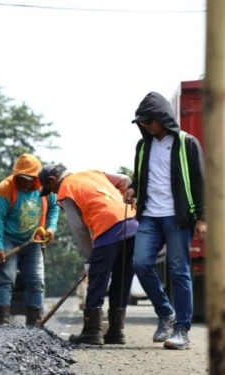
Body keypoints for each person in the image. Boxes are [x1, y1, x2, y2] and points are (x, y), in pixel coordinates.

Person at [124, 91, 206, 350]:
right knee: (140, 263)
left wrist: (202, 218)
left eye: (148, 121)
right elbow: (140, 175)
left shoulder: (187, 143)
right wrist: (133, 188)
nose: (144, 126)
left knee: (179, 271)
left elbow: (199, 182)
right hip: (149, 215)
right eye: (141, 122)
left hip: (177, 217)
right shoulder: (143, 146)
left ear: (161, 118)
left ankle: (182, 330)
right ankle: (166, 312)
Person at [39, 164, 137, 345]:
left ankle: (92, 331)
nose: (52, 194)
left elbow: (79, 230)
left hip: (107, 227)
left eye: (49, 190)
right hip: (132, 222)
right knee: (122, 278)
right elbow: (125, 180)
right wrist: (120, 204)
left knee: (97, 280)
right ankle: (116, 331)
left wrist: (90, 258)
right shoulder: (93, 173)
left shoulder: (66, 190)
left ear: (52, 181)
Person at [0, 154, 59, 326]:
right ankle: (2, 319)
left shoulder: (44, 188)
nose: (26, 183)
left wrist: (51, 228)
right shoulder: (5, 188)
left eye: (30, 180)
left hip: (33, 241)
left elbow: (53, 209)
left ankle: (34, 321)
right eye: (22, 179)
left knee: (36, 280)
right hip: (8, 239)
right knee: (6, 277)